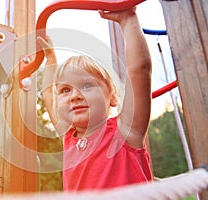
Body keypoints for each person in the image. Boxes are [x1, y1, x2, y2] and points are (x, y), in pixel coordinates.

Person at [37, 7, 153, 191]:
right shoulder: (68, 137)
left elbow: (139, 70)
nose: (75, 96)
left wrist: (128, 19)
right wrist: (50, 59)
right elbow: (48, 95)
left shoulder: (123, 132)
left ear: (113, 98)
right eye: (66, 89)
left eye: (87, 86)